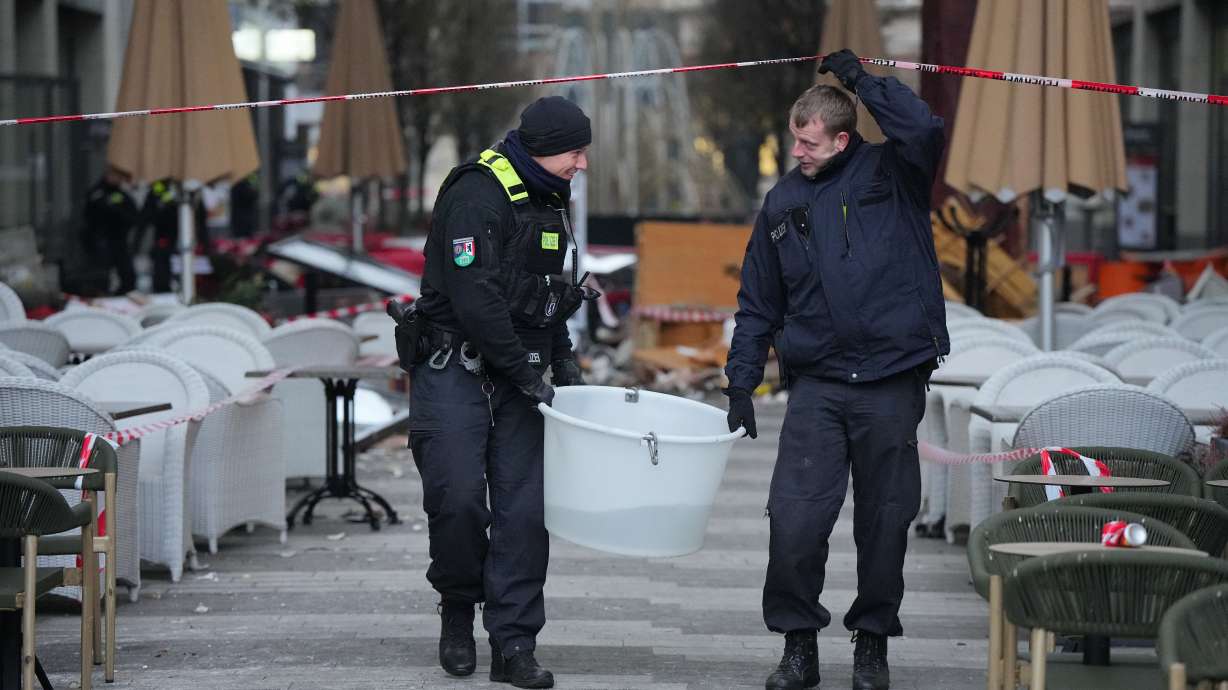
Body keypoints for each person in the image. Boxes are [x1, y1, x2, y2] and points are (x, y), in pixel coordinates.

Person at [723, 49, 949, 690]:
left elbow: (923, 127)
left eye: (807, 140)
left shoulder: (894, 172)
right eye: (795, 138)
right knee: (794, 520)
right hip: (818, 384)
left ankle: (872, 643)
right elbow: (758, 304)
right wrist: (740, 382)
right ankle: (799, 647)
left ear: (842, 137)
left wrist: (859, 79)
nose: (797, 150)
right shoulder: (782, 202)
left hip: (890, 377)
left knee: (885, 521)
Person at [402, 95, 592, 689]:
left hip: (522, 376)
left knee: (522, 517)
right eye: (575, 152)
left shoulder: (548, 195)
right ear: (541, 149)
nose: (583, 164)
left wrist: (564, 363)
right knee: (458, 501)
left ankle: (514, 645)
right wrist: (526, 373)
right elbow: (476, 299)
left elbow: (544, 290)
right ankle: (458, 607)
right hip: (455, 369)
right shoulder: (475, 194)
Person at [83, 166, 139, 295]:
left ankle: (126, 293)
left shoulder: (121, 195)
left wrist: (118, 213)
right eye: (115, 176)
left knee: (126, 272)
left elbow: (132, 216)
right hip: (101, 239)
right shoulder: (97, 193)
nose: (118, 179)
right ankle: (102, 293)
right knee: (101, 273)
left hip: (120, 239)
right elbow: (90, 216)